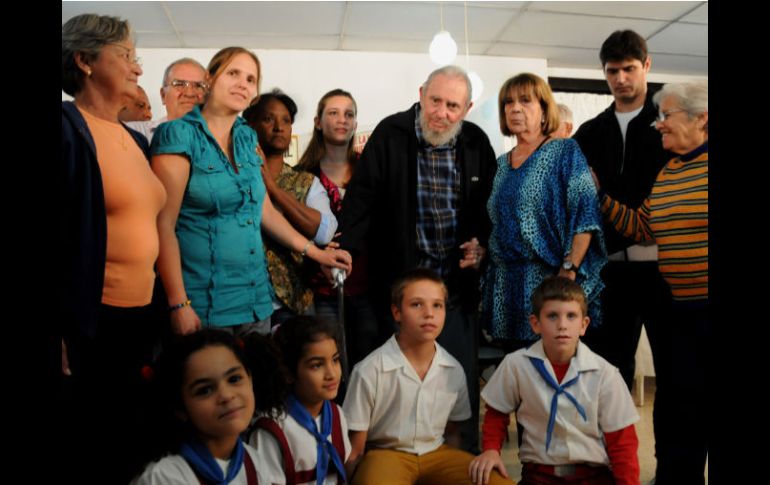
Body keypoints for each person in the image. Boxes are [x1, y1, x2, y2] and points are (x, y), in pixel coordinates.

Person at [339, 65, 497, 452]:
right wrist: (344, 251)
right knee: (391, 388)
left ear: (468, 107)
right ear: (421, 93)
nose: (442, 113)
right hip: (396, 287)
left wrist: (484, 247)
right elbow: (361, 203)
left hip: (454, 291)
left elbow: (491, 212)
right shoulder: (390, 134)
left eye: (453, 106)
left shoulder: (475, 142)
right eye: (436, 101)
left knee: (457, 386)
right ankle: (388, 460)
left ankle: (459, 462)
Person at [151, 47, 351, 337]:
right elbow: (163, 224)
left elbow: (264, 211)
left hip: (256, 301)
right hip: (204, 302)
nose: (242, 83)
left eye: (250, 78)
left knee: (260, 380)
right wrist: (178, 303)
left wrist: (318, 255)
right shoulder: (179, 134)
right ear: (210, 78)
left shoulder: (246, 137)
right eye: (233, 73)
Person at [60, 13, 167, 483]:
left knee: (129, 444)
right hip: (90, 323)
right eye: (125, 55)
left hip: (139, 316)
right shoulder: (66, 128)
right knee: (90, 449)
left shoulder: (129, 138)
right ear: (84, 60)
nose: (137, 68)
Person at [594, 81, 708, 485]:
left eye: (666, 116)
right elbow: (642, 226)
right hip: (679, 309)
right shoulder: (669, 172)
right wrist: (601, 196)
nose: (658, 125)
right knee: (681, 407)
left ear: (701, 118)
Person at [572, 30, 674, 392]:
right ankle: (608, 450)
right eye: (612, 71)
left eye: (629, 69)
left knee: (675, 373)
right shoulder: (588, 134)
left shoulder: (671, 128)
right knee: (607, 374)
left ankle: (669, 452)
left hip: (665, 270)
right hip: (608, 270)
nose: (621, 79)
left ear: (646, 65)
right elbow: (574, 203)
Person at [343, 269, 514, 485]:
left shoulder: (452, 368)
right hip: (386, 454)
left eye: (437, 305)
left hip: (437, 453)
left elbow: (453, 433)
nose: (429, 313)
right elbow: (356, 449)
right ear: (397, 312)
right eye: (416, 304)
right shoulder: (369, 369)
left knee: (500, 483)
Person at [470, 277, 639, 485]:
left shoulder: (605, 374)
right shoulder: (516, 365)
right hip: (538, 477)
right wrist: (490, 450)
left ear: (583, 325)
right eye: (552, 316)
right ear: (535, 323)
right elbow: (497, 413)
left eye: (571, 316)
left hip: (593, 477)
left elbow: (622, 442)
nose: (562, 325)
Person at [481, 72, 606, 353]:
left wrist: (569, 269)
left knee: (548, 374)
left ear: (544, 109)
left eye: (525, 100)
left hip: (548, 283)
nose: (514, 108)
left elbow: (585, 216)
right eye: (508, 102)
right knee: (514, 375)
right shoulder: (501, 164)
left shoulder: (564, 152)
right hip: (504, 287)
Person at [296, 88, 380, 371]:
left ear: (356, 124)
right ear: (318, 122)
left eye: (349, 114)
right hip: (321, 290)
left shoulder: (370, 170)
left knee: (367, 367)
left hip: (367, 286)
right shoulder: (301, 176)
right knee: (328, 365)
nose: (342, 119)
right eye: (333, 112)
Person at [242, 89, 337, 324]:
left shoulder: (306, 182)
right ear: (248, 125)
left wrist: (273, 189)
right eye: (268, 119)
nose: (279, 127)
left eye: (286, 120)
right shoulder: (235, 178)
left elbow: (324, 231)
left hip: (295, 304)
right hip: (243, 301)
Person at [135, 329, 272, 484]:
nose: (226, 395)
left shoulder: (254, 463)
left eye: (234, 379)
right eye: (204, 390)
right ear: (179, 407)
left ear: (250, 381)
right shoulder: (163, 477)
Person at [247, 316, 350, 484]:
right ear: (288, 373)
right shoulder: (272, 429)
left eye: (335, 360)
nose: (332, 374)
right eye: (317, 365)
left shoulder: (336, 414)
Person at [126, 57, 208, 142]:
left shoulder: (220, 140)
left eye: (199, 86)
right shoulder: (134, 133)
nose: (189, 93)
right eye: (179, 84)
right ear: (163, 95)